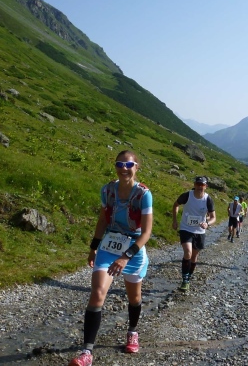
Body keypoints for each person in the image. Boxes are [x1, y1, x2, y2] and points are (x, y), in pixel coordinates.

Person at [70, 151, 153, 366]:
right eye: (120, 164)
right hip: (109, 246)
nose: (124, 168)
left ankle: (132, 332)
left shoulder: (143, 194)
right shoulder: (107, 190)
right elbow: (102, 220)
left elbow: (146, 233)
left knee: (134, 297)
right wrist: (93, 247)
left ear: (136, 167)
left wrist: (126, 257)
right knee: (97, 293)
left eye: (129, 165)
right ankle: (86, 353)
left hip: (133, 249)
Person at [172, 176, 216, 291]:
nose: (200, 187)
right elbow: (176, 205)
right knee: (188, 252)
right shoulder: (187, 195)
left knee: (194, 256)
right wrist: (175, 220)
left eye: (202, 185)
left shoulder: (208, 199)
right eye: (198, 184)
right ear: (194, 185)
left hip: (200, 231)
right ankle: (185, 280)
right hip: (186, 228)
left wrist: (207, 223)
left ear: (206, 186)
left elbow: (213, 217)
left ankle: (189, 276)